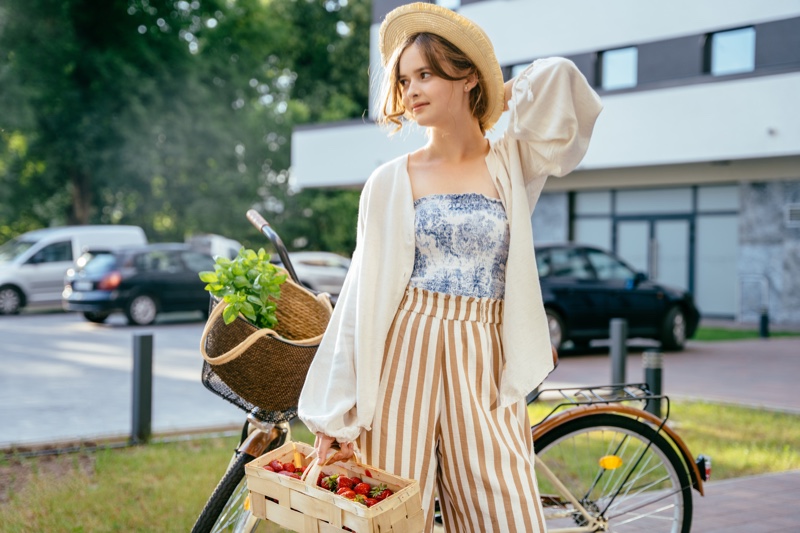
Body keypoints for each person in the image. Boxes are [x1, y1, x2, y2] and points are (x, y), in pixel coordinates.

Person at [298, 2, 602, 530]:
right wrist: (335, 413)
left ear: (466, 78)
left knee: (506, 515)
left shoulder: (511, 159)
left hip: (484, 355)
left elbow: (564, 86)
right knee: (392, 515)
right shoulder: (389, 181)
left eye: (427, 75)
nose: (411, 90)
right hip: (403, 349)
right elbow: (359, 299)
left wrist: (501, 92)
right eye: (405, 79)